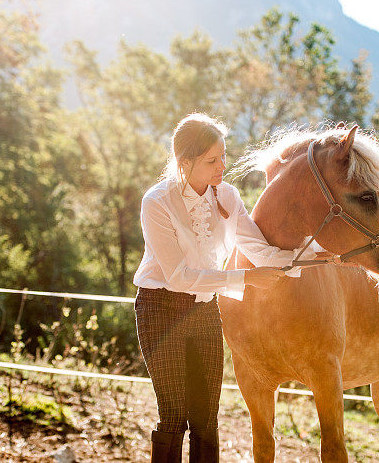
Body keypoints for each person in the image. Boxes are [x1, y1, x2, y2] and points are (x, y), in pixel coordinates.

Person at [133, 113, 314, 462]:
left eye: (224, 156)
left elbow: (257, 248)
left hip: (204, 310)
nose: (222, 166)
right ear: (185, 163)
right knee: (174, 418)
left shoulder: (227, 196)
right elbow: (178, 276)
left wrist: (312, 256)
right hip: (159, 308)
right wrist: (246, 278)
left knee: (206, 420)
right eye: (212, 160)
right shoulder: (156, 202)